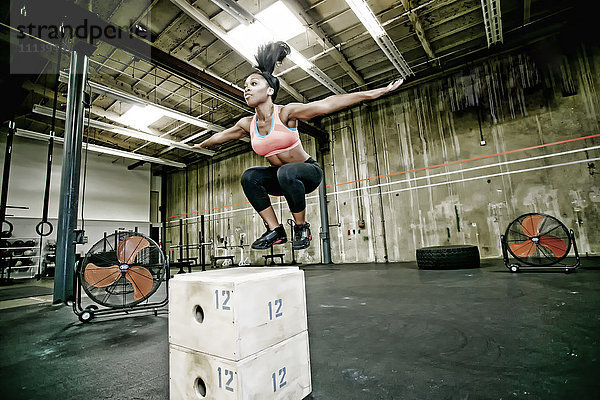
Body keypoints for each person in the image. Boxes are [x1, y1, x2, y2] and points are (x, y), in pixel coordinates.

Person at [194, 41, 402, 251]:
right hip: (280, 179)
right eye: (245, 86)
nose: (247, 88)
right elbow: (222, 136)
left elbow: (327, 103)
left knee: (286, 171)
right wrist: (201, 143)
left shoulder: (286, 113)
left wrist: (371, 93)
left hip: (307, 173)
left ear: (269, 90)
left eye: (253, 84)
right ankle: (275, 230)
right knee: (249, 176)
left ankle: (301, 227)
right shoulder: (247, 124)